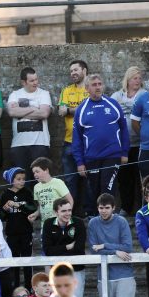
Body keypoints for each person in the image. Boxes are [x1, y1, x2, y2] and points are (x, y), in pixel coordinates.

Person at [73, 74, 130, 215]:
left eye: (99, 84)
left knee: (107, 186)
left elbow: (124, 129)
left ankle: (109, 217)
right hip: (91, 157)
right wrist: (79, 162)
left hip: (112, 155)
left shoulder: (113, 104)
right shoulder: (81, 109)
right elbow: (77, 139)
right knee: (94, 189)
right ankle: (94, 218)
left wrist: (124, 152)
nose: (98, 87)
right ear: (87, 88)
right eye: (94, 84)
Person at [88, 192, 135, 297]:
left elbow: (128, 247)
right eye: (101, 208)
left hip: (124, 276)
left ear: (113, 208)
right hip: (104, 277)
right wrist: (114, 251)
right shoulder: (93, 223)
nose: (104, 211)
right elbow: (94, 250)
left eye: (107, 208)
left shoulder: (121, 222)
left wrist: (104, 246)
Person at [6, 67, 52, 185]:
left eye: (36, 79)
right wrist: (33, 108)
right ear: (23, 82)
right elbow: (12, 112)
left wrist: (21, 111)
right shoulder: (15, 95)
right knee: (21, 182)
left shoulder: (44, 94)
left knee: (41, 181)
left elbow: (44, 113)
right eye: (31, 81)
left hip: (40, 144)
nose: (35, 83)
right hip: (19, 145)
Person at [111, 66, 146, 216]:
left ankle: (140, 208)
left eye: (139, 78)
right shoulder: (117, 95)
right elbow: (112, 111)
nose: (137, 81)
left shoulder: (144, 94)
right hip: (122, 145)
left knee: (140, 178)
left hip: (140, 143)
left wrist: (126, 107)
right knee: (124, 178)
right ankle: (126, 207)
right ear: (128, 79)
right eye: (134, 78)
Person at [58, 60, 89, 213]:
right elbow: (61, 111)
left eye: (76, 70)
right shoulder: (66, 90)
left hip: (89, 143)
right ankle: (72, 213)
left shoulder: (91, 89)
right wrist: (79, 109)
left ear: (84, 71)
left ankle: (88, 212)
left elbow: (91, 108)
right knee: (70, 180)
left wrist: (70, 110)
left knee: (88, 180)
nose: (73, 73)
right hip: (69, 142)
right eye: (71, 71)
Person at [42, 197, 87, 297]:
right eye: (63, 211)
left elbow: (79, 249)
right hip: (57, 271)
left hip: (76, 270)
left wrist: (57, 250)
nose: (68, 213)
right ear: (55, 212)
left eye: (69, 210)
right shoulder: (48, 224)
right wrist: (67, 247)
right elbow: (48, 250)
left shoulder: (78, 223)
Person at [0, 167, 36, 288]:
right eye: (18, 179)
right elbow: (2, 216)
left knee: (27, 261)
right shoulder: (5, 194)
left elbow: (32, 209)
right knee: (13, 261)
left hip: (26, 232)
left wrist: (18, 205)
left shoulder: (27, 192)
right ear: (12, 180)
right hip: (12, 233)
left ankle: (28, 286)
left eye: (23, 179)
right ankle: (15, 287)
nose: (22, 181)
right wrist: (4, 209)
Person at [28, 157, 73, 224]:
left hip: (59, 222)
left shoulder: (58, 182)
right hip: (45, 224)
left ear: (46, 170)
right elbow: (41, 205)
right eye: (34, 173)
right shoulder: (36, 187)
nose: (35, 175)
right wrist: (36, 214)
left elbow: (70, 200)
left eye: (37, 172)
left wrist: (66, 216)